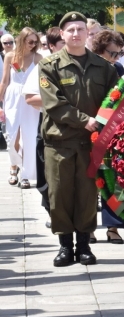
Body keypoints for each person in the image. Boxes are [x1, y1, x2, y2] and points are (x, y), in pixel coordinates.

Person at [40, 12, 119, 266]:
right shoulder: (49, 65)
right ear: (61, 34)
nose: (75, 34)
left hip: (90, 144)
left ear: (88, 34)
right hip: (60, 142)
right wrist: (85, 119)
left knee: (87, 195)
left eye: (80, 29)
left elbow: (116, 98)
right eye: (70, 30)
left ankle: (84, 245)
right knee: (60, 193)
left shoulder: (103, 66)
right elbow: (54, 104)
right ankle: (65, 245)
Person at [23, 27, 65, 228]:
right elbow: (30, 97)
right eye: (62, 43)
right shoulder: (44, 66)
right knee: (47, 173)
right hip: (49, 125)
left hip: (79, 127)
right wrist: (61, 101)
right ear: (52, 46)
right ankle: (52, 210)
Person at [90, 30, 124, 243]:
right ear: (98, 50)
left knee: (113, 179)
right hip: (91, 128)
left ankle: (113, 227)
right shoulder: (89, 67)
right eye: (111, 53)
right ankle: (89, 228)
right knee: (91, 180)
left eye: (118, 53)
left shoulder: (119, 68)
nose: (115, 58)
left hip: (115, 131)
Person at [0, 27, 43, 188]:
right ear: (22, 40)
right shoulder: (10, 56)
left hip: (30, 99)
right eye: (30, 41)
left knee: (29, 137)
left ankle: (25, 174)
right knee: (11, 137)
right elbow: (4, 81)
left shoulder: (37, 58)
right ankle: (13, 166)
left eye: (35, 42)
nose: (33, 44)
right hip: (12, 97)